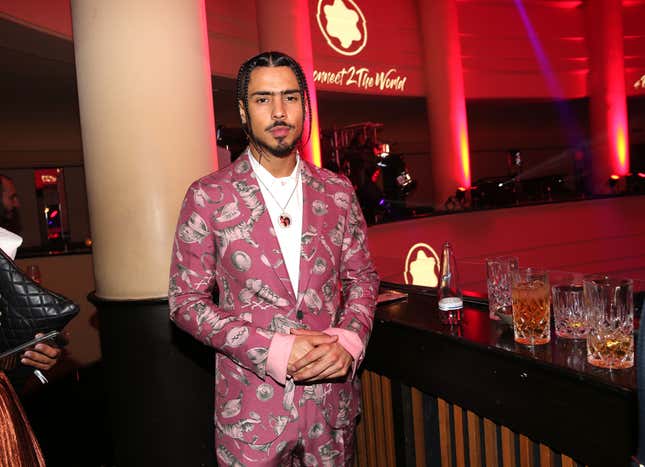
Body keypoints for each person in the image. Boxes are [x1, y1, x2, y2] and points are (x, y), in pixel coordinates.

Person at [169, 51, 379, 466]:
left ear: (305, 105)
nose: (280, 112)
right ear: (244, 111)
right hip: (250, 414)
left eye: (290, 97)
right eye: (264, 99)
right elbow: (185, 303)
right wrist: (272, 350)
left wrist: (350, 341)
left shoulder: (338, 192)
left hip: (331, 409)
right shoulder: (209, 196)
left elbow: (363, 278)